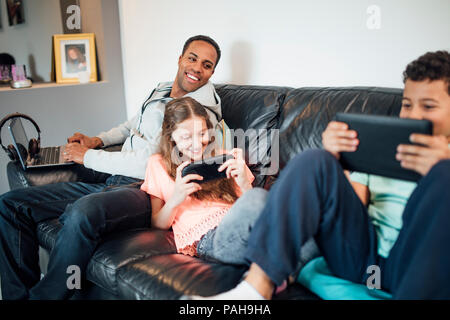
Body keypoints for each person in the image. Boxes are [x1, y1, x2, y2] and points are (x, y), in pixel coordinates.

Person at [188, 50, 450, 300]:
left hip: (416, 266)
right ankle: (255, 289)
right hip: (364, 261)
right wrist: (338, 163)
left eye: (428, 106)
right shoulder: (382, 148)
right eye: (407, 104)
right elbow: (351, 211)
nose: (413, 115)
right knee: (315, 159)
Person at [0, 35, 224, 300]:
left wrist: (89, 157)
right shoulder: (163, 88)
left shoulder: (199, 112)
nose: (197, 68)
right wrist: (98, 140)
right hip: (115, 174)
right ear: (180, 58)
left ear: (211, 72)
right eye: (192, 58)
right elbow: (132, 125)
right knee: (10, 205)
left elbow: (150, 162)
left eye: (207, 65)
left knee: (83, 212)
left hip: (142, 186)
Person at [141, 96, 267, 264]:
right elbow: (156, 224)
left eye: (202, 133)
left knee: (268, 204)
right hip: (210, 238)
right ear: (171, 137)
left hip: (241, 223)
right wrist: (175, 199)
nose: (197, 143)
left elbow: (252, 208)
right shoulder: (157, 164)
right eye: (186, 137)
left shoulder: (226, 158)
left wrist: (245, 184)